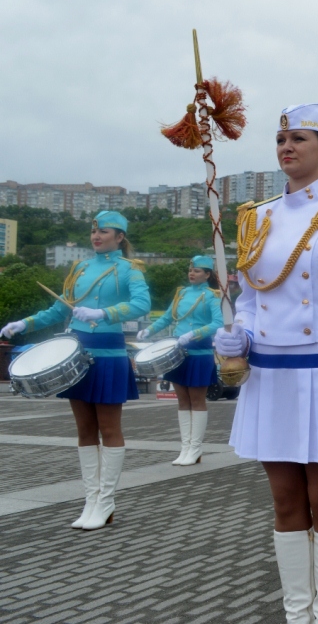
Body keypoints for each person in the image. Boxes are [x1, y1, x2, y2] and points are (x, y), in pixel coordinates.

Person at [214, 104, 318, 622]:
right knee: (286, 503)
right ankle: (296, 612)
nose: (287, 147)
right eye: (281, 138)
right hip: (271, 375)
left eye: (300, 139)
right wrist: (236, 333)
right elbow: (248, 296)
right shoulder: (255, 217)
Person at [2, 211, 151, 530]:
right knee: (84, 430)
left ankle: (107, 501)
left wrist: (103, 312)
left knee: (109, 429)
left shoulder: (129, 270)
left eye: (104, 231)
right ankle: (91, 499)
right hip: (77, 353)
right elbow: (59, 309)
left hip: (109, 354)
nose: (96, 236)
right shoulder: (79, 268)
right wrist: (25, 323)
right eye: (94, 231)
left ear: (120, 237)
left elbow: (142, 305)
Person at [138, 255, 224, 465]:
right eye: (190, 270)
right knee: (183, 401)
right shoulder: (182, 293)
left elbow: (218, 323)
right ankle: (185, 447)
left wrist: (194, 334)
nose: (192, 273)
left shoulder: (212, 296)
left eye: (197, 270)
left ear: (207, 275)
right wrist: (149, 330)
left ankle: (195, 448)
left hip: (199, 354)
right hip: (178, 354)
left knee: (197, 401)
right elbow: (168, 317)